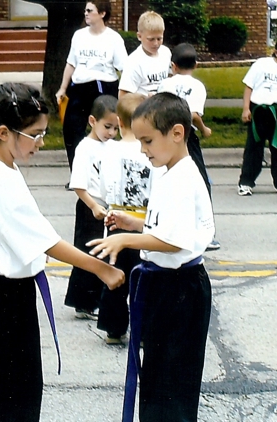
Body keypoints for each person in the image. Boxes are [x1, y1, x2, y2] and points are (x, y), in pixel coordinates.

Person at [0, 83, 124, 422]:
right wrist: (101, 269)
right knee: (10, 393)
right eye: (35, 134)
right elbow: (44, 240)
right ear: (5, 132)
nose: (41, 142)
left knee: (0, 389)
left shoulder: (0, 165)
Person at [87, 92, 215, 422]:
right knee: (157, 376)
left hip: (181, 289)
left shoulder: (184, 177)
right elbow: (166, 226)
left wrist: (126, 240)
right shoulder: (167, 169)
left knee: (172, 382)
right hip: (165, 286)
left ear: (176, 133)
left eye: (147, 141)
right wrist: (137, 224)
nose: (142, 150)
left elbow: (174, 242)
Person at [98, 93, 162, 345]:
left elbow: (102, 187)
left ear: (119, 123)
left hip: (115, 219)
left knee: (115, 274)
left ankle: (113, 328)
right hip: (143, 221)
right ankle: (144, 330)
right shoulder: (151, 152)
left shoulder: (109, 151)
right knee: (144, 278)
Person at [55, 0, 128, 178]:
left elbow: (124, 68)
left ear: (102, 14)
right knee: (72, 129)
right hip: (80, 87)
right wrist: (62, 88)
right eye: (85, 10)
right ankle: (79, 175)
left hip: (104, 86)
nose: (86, 13)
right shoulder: (79, 36)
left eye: (90, 10)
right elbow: (71, 64)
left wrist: (125, 94)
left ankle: (105, 172)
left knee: (106, 129)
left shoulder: (113, 38)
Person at [158, 42, 220, 251]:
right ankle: (206, 232)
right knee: (200, 179)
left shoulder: (166, 84)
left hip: (164, 134)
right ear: (195, 65)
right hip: (186, 136)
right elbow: (193, 114)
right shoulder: (198, 87)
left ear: (172, 65)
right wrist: (204, 129)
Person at [64, 94, 119, 321]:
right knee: (89, 252)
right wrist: (93, 205)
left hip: (109, 207)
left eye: (116, 128)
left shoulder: (114, 147)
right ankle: (83, 301)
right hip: (90, 205)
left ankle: (99, 298)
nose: (111, 133)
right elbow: (78, 184)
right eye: (107, 127)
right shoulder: (85, 148)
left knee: (107, 252)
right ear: (92, 121)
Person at [237, 36, 277, 196]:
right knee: (254, 148)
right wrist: (246, 109)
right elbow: (249, 87)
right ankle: (246, 182)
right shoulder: (261, 64)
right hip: (258, 109)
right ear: (276, 52)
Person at [118, 11, 171, 98]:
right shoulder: (134, 62)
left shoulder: (166, 53)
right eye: (151, 39)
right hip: (143, 108)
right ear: (139, 36)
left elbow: (170, 77)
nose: (156, 43)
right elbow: (123, 96)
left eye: (159, 38)